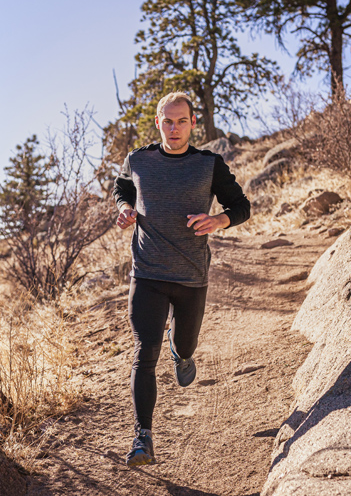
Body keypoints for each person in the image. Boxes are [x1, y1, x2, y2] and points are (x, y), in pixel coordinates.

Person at [113, 91, 250, 467]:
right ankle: (143, 438)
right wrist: (125, 209)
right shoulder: (138, 160)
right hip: (148, 273)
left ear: (193, 124)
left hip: (191, 276)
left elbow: (241, 206)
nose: (174, 128)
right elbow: (123, 187)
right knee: (145, 352)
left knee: (185, 345)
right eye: (168, 121)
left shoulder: (209, 164)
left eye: (182, 121)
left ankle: (182, 351)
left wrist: (218, 220)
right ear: (158, 123)